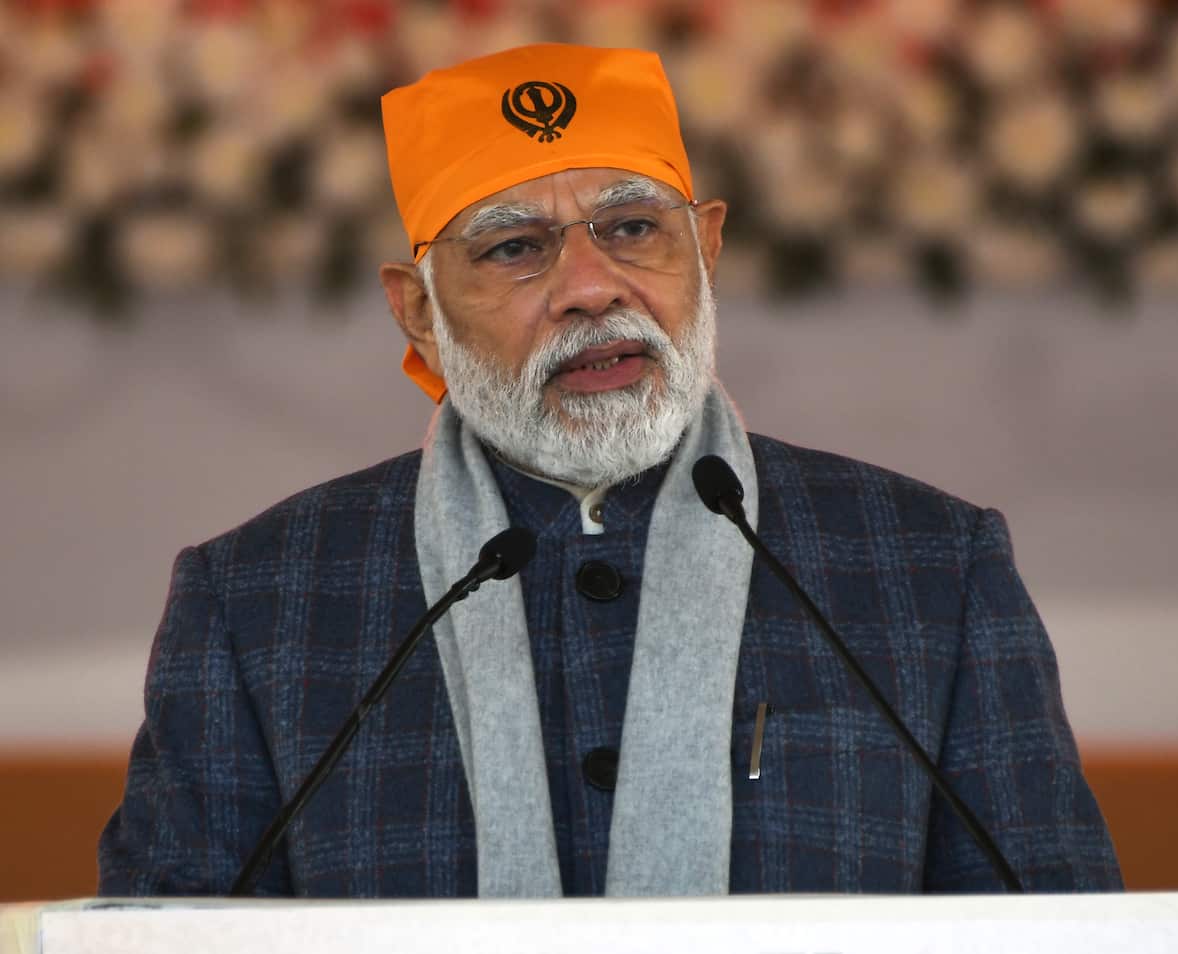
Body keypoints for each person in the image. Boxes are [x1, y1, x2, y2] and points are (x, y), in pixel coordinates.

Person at [98, 43, 1122, 898]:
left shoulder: (928, 569)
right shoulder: (261, 599)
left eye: (633, 229)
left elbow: (1066, 928)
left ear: (705, 249)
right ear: (417, 310)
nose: (592, 289)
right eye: (513, 249)